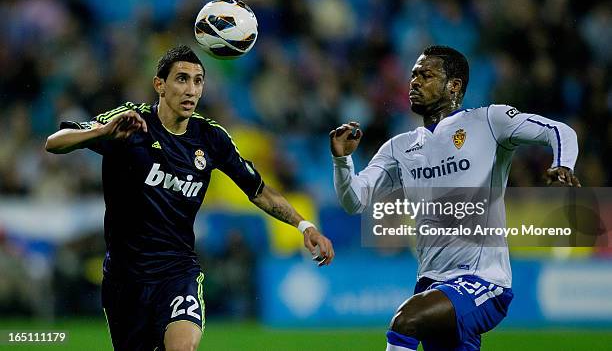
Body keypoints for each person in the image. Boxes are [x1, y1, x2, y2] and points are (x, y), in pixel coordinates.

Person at [45, 45, 334, 351]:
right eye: (182, 79)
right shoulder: (131, 122)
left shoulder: (211, 138)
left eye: (198, 81)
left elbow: (259, 191)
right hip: (124, 279)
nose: (191, 90)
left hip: (178, 272)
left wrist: (305, 227)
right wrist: (103, 132)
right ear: (160, 85)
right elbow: (55, 143)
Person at [329, 45, 580, 351]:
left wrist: (563, 163)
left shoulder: (489, 121)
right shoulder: (399, 147)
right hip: (431, 282)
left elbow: (559, 130)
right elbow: (354, 199)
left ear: (454, 85)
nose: (415, 82)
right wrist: (342, 161)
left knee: (406, 321)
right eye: (413, 75)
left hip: (483, 280)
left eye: (426, 74)